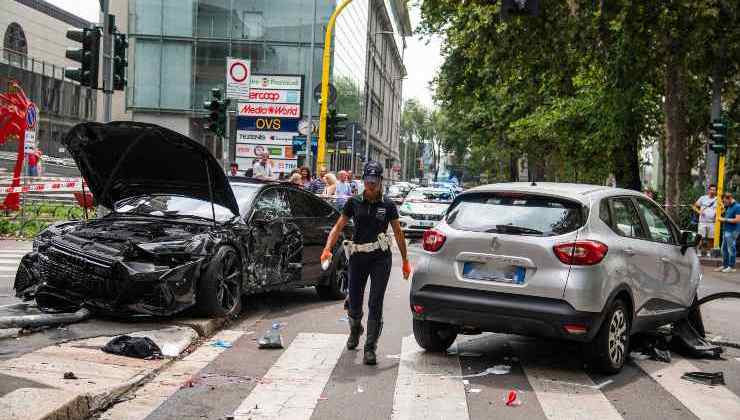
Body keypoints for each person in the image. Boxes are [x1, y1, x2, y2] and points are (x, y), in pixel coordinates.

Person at [320, 161, 411, 365]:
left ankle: (370, 348)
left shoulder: (388, 205)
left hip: (381, 258)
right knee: (354, 300)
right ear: (364, 181)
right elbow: (338, 227)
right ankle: (354, 330)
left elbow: (397, 232)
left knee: (375, 302)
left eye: (374, 181)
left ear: (380, 181)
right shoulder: (353, 202)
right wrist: (327, 248)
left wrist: (405, 261)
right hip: (358, 257)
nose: (370, 185)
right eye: (368, 180)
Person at [717, 192, 740, 273]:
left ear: (730, 199)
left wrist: (724, 219)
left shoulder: (737, 206)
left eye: (725, 201)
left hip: (733, 231)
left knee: (731, 249)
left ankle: (731, 267)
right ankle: (725, 265)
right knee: (724, 249)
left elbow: (737, 220)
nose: (724, 203)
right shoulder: (729, 206)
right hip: (726, 230)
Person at [693, 185, 718, 256]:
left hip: (712, 222)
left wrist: (717, 214)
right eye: (711, 190)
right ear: (708, 190)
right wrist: (699, 212)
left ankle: (709, 252)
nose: (713, 191)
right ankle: (698, 251)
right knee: (700, 237)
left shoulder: (717, 199)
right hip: (702, 221)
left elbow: (723, 209)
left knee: (711, 238)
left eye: (714, 190)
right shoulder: (703, 198)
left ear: (716, 191)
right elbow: (694, 206)